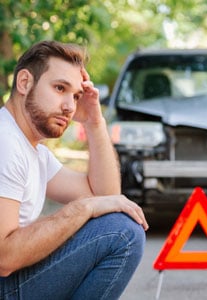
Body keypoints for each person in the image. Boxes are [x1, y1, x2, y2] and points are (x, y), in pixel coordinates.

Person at [0, 40, 148, 300]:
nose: (70, 106)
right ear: (24, 83)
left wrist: (94, 121)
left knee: (120, 225)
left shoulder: (34, 152)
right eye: (60, 88)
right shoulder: (6, 142)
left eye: (76, 96)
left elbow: (106, 195)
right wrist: (83, 208)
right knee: (123, 234)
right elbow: (4, 256)